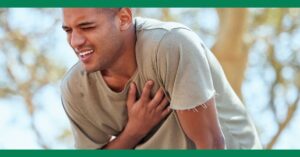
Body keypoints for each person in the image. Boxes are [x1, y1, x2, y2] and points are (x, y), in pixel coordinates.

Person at [61, 8, 261, 149]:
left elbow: (211, 144)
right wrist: (133, 132)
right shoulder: (75, 88)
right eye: (68, 30)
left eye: (87, 27)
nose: (75, 41)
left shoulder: (170, 44)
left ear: (123, 18)